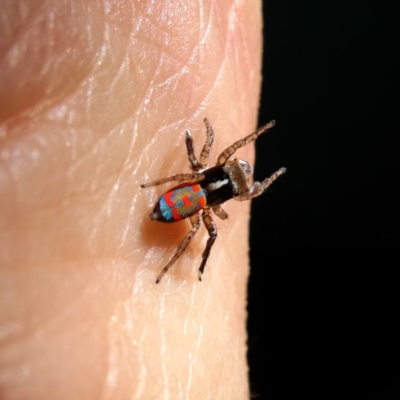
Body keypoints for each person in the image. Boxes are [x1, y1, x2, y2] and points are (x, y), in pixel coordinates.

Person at [0, 1, 264, 398]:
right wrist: (248, 138)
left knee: (201, 230)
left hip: (185, 197)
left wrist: (202, 154)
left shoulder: (208, 180)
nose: (235, 167)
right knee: (202, 234)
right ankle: (179, 260)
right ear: (226, 173)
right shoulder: (215, 193)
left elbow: (203, 156)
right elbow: (212, 158)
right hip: (183, 200)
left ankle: (176, 257)